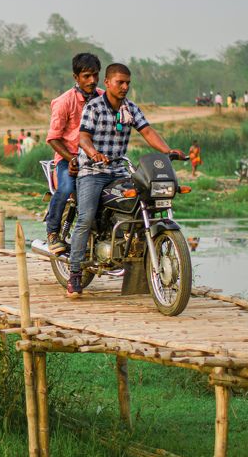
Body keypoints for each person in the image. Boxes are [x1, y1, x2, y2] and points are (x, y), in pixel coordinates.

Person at [67, 62, 184, 298]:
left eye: (127, 83)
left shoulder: (130, 108)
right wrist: (93, 153)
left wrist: (168, 150)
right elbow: (84, 137)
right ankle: (75, 272)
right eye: (120, 82)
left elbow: (147, 131)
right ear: (107, 82)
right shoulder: (94, 107)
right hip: (92, 171)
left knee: (140, 204)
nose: (124, 87)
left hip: (119, 170)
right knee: (86, 217)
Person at [44, 53, 103, 254]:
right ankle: (52, 232)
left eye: (95, 75)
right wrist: (72, 159)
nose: (92, 80)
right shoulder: (64, 102)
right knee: (66, 187)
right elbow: (53, 138)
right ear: (76, 77)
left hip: (98, 159)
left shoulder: (105, 98)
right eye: (86, 76)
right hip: (69, 158)